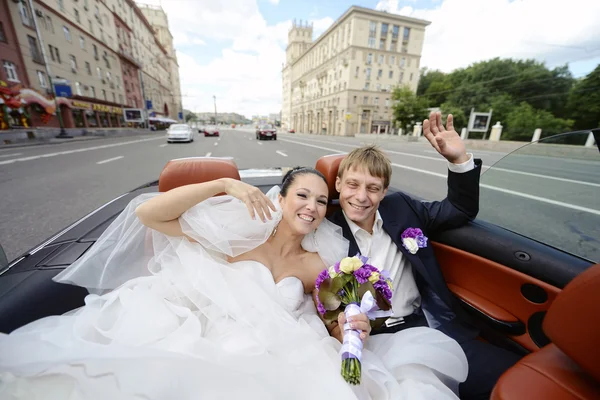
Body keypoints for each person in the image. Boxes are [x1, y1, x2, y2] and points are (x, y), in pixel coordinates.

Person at [0, 167, 468, 400]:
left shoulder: (317, 264)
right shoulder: (234, 236)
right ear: (280, 198)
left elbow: (332, 317)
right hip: (194, 333)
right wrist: (223, 185)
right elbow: (147, 213)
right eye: (302, 195)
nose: (312, 207)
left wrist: (350, 325)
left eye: (322, 201)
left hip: (267, 349)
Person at [328, 111, 522, 400]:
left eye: (373, 188)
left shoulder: (401, 208)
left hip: (427, 324)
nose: (361, 197)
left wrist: (458, 159)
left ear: (384, 192)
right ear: (339, 184)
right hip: (369, 340)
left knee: (516, 378)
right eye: (353, 185)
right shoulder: (325, 228)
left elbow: (459, 210)